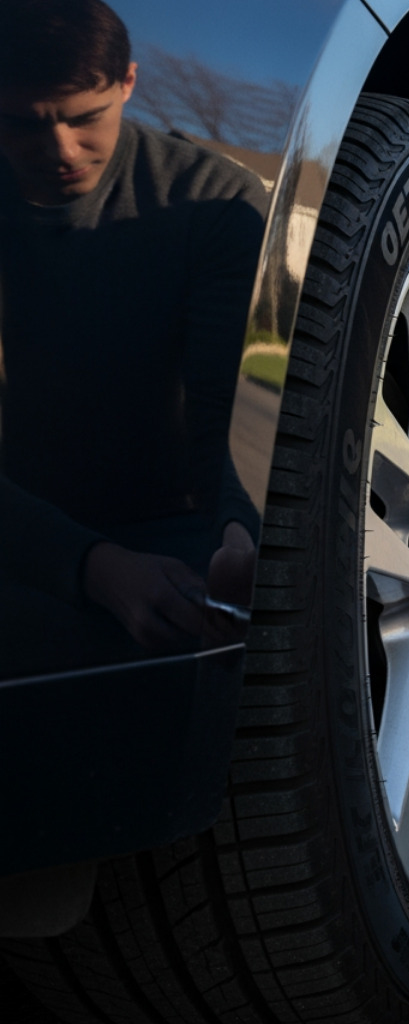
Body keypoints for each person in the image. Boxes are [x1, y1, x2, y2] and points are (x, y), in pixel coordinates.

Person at [0, 0, 265, 677]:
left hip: (169, 519)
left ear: (129, 83)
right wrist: (93, 568)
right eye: (25, 125)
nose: (61, 151)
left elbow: (223, 418)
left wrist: (240, 536)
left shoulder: (210, 200)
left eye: (86, 117)